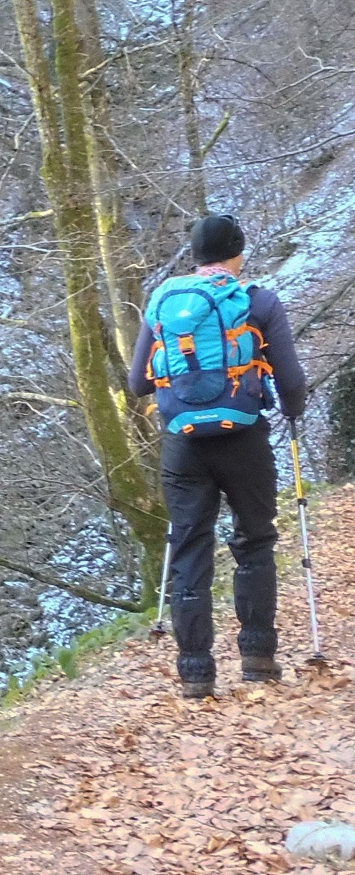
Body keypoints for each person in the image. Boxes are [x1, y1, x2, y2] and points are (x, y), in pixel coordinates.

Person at [127, 213, 308, 698]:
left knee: (189, 549)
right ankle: (257, 658)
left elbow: (137, 382)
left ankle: (195, 674)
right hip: (243, 439)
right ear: (238, 252)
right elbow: (290, 380)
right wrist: (291, 411)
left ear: (194, 254)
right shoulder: (256, 301)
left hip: (183, 443)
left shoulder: (164, 302)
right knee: (254, 541)